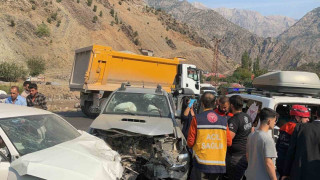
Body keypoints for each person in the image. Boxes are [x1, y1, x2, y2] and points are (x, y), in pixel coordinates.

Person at [187, 92, 232, 180]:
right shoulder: (223, 120)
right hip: (218, 164)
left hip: (201, 163)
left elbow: (190, 142)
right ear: (215, 103)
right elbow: (229, 142)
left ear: (202, 104)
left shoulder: (197, 119)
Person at [281, 106, 320, 180]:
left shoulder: (300, 128)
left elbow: (291, 152)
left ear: (316, 113)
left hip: (300, 173)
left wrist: (285, 173)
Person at [276, 105, 310, 179]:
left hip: (280, 162)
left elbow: (278, 145)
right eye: (305, 117)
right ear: (297, 117)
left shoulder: (284, 126)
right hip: (290, 166)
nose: (308, 120)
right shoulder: (298, 129)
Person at [246, 108, 278, 180]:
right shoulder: (267, 139)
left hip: (250, 176)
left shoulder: (251, 135)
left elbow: (247, 156)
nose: (275, 123)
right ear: (269, 121)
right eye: (275, 121)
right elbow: (269, 163)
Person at [226, 95, 253, 180]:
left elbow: (229, 139)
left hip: (235, 157)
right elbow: (251, 133)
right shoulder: (247, 117)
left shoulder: (234, 120)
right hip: (245, 154)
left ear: (232, 105)